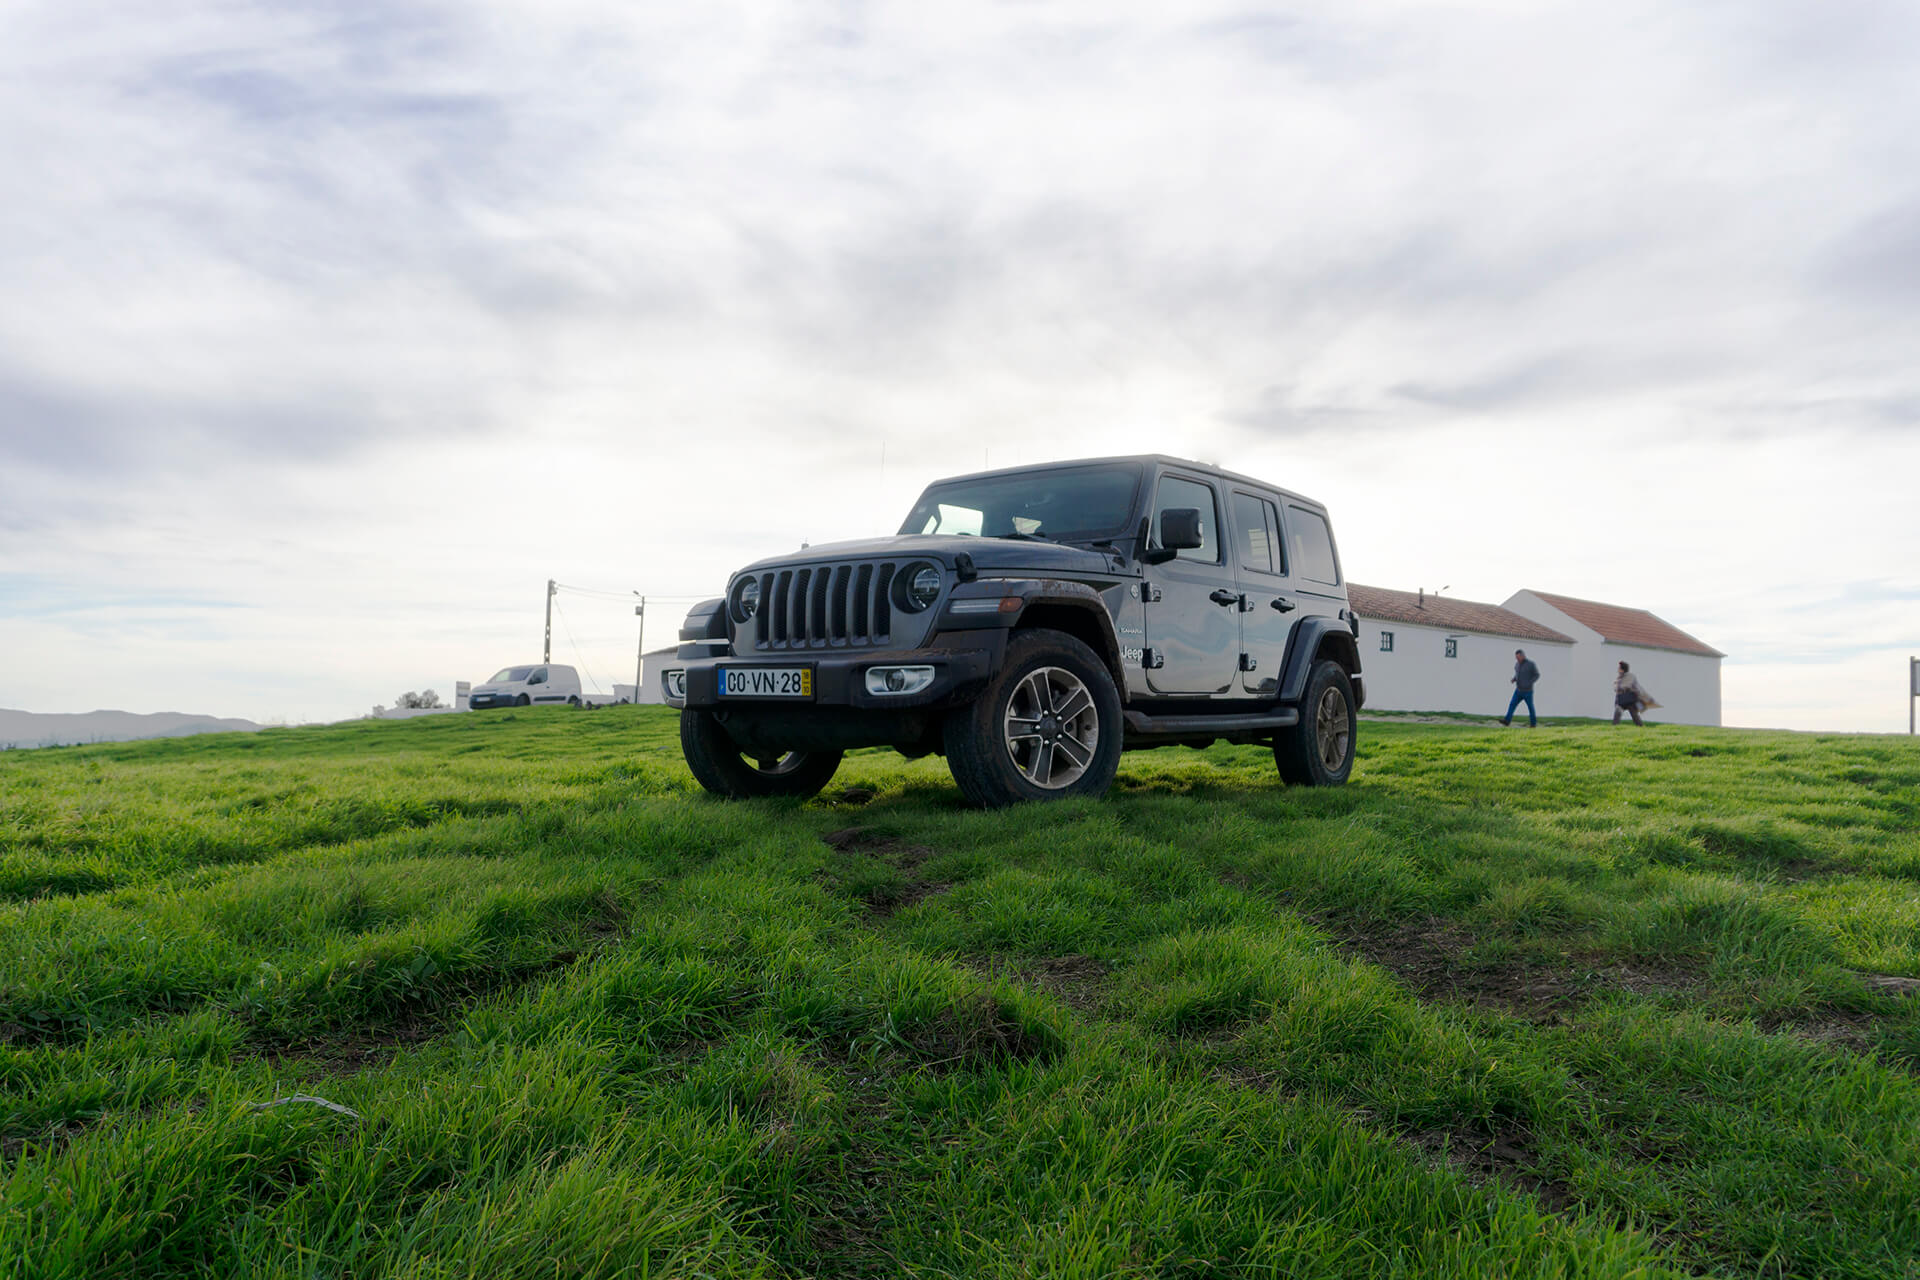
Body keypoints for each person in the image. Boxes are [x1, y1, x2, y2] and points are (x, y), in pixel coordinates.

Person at [1612, 661, 1658, 726]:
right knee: (1617, 712)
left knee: (1634, 715)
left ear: (1622, 669)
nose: (1618, 670)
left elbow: (1627, 685)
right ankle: (1615, 726)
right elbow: (1615, 686)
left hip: (1630, 699)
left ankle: (1641, 727)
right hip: (1621, 699)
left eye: (1619, 668)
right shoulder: (1620, 677)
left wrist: (1619, 687)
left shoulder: (1630, 676)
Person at [1502, 649, 1540, 727]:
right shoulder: (1517, 664)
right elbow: (1517, 674)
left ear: (1523, 656)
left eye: (1518, 657)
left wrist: (1529, 682)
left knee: (1530, 707)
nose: (1517, 659)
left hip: (1528, 692)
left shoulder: (1531, 664)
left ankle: (1533, 724)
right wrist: (1514, 679)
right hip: (1518, 691)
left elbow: (1537, 675)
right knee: (1512, 704)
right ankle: (1507, 721)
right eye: (1516, 658)